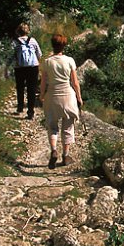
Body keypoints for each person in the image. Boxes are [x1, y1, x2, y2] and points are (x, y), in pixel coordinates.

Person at [39, 34, 83, 169]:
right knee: (68, 127)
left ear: (52, 45)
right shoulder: (69, 61)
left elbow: (43, 82)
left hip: (52, 95)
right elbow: (75, 82)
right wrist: (79, 97)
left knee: (52, 125)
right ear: (64, 46)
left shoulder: (47, 62)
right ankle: (66, 155)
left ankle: (53, 150)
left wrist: (42, 96)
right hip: (68, 96)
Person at [12, 23, 42, 118]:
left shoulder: (15, 42)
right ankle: (30, 111)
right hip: (33, 67)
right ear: (28, 30)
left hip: (19, 67)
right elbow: (39, 54)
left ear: (18, 31)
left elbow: (11, 56)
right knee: (31, 89)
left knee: (20, 87)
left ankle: (20, 107)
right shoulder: (32, 40)